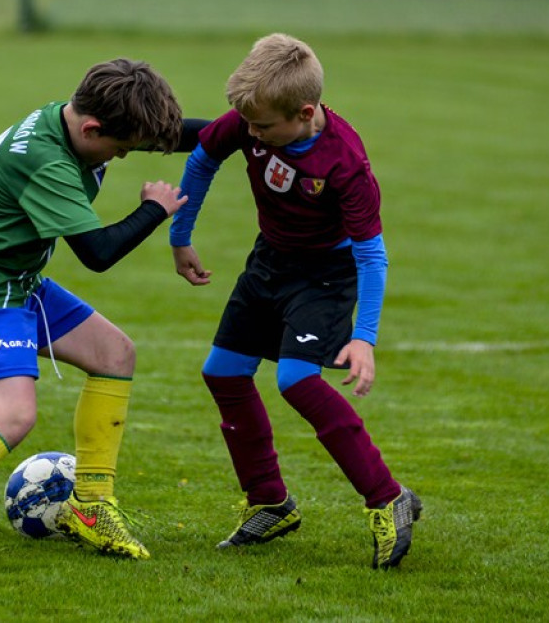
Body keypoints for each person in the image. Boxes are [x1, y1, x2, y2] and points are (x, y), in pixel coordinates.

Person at [0, 58, 190, 568]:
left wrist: (249, 131)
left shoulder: (71, 119)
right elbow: (97, 253)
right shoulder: (47, 162)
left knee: (115, 353)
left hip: (17, 281)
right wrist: (155, 207)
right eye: (120, 148)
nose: (123, 157)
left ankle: (90, 507)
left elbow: (168, 132)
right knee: (15, 415)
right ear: (92, 128)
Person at [170, 34, 421, 569]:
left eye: (262, 129)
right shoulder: (253, 115)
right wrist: (180, 236)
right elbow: (202, 158)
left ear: (305, 113)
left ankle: (388, 498)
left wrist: (364, 337)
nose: (251, 135)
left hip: (325, 277)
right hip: (270, 262)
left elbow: (372, 257)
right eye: (249, 125)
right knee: (224, 373)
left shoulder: (346, 163)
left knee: (296, 379)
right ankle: (269, 503)